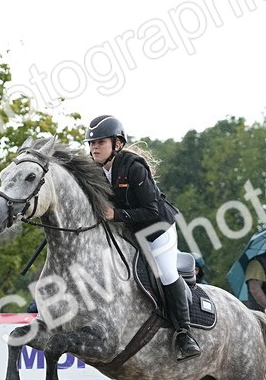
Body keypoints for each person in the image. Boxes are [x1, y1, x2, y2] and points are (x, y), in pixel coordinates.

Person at [85, 114, 200, 360]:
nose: (94, 147)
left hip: (157, 228)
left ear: (117, 144)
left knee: (166, 272)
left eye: (100, 142)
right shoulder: (94, 169)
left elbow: (152, 210)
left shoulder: (133, 167)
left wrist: (116, 213)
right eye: (92, 143)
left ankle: (184, 334)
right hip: (130, 230)